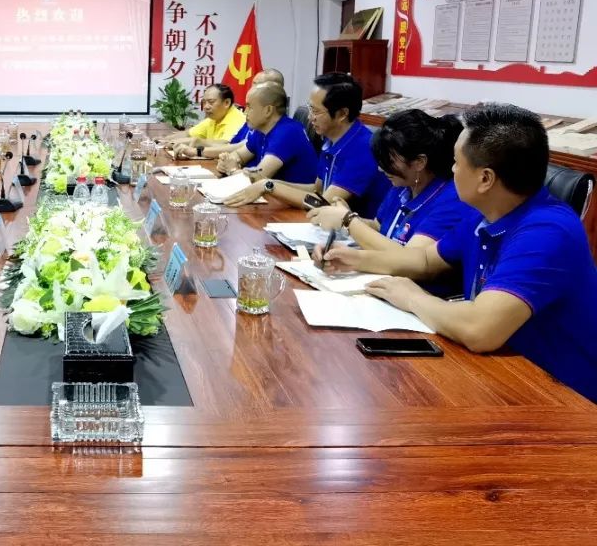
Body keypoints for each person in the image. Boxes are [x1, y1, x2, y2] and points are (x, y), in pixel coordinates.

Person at [322, 104, 597, 402]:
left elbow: (480, 329)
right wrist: (354, 258)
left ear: (485, 179)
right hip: (495, 373)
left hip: (559, 398)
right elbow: (425, 260)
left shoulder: (547, 231)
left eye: (456, 162)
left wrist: (412, 298)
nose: (451, 170)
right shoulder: (486, 212)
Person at [308, 110, 472, 251]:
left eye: (389, 161)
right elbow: (379, 227)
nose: (381, 169)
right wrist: (346, 217)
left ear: (419, 162)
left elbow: (410, 260)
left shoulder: (451, 200)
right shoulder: (402, 184)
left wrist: (348, 221)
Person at [243, 73, 390, 218]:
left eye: (315, 111)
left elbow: (321, 203)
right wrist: (269, 182)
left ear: (342, 114)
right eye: (310, 108)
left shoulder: (362, 148)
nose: (309, 117)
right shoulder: (331, 140)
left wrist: (269, 187)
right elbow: (317, 190)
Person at [186, 82, 318, 204]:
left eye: (249, 107)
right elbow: (239, 155)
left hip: (295, 207)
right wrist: (227, 160)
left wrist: (232, 169)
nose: (245, 112)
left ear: (268, 110)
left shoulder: (287, 132)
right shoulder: (261, 129)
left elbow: (258, 179)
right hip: (272, 200)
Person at [163, 83, 246, 154]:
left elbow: (227, 146)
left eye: (211, 102)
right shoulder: (214, 118)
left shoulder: (237, 119)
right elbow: (188, 134)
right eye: (204, 102)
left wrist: (199, 142)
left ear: (227, 103)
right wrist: (163, 141)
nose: (206, 107)